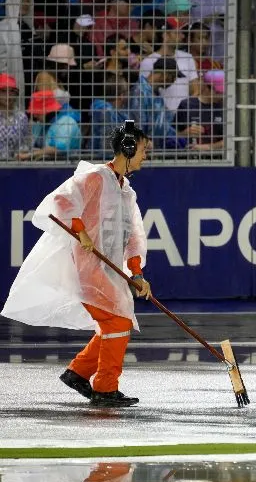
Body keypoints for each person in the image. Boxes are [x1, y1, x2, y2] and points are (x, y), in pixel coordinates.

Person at [2, 121, 152, 408]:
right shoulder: (95, 177)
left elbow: (134, 237)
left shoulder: (127, 192)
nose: (145, 155)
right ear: (128, 148)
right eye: (143, 149)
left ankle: (79, 372)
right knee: (117, 321)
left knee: (115, 323)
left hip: (110, 271)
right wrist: (80, 231)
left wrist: (137, 273)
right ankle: (105, 389)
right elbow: (61, 202)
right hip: (87, 267)